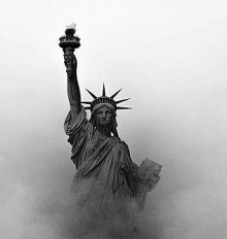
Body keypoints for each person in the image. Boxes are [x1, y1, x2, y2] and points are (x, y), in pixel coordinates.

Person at [62, 45, 161, 217]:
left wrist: (146, 174)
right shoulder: (85, 135)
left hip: (115, 202)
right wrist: (71, 73)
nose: (104, 115)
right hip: (87, 195)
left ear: (113, 117)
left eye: (108, 112)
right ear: (93, 116)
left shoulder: (120, 147)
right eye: (100, 112)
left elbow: (132, 177)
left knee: (113, 233)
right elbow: (74, 103)